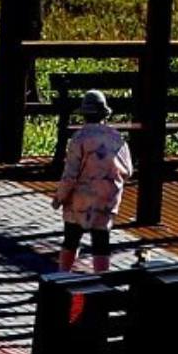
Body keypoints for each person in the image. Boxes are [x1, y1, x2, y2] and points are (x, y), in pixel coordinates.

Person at [54, 89, 133, 275]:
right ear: (104, 114)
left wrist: (59, 197)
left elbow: (70, 175)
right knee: (101, 240)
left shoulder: (79, 138)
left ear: (84, 116)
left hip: (80, 198)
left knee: (71, 238)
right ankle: (102, 281)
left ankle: (62, 276)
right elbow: (128, 170)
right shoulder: (116, 137)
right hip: (107, 197)